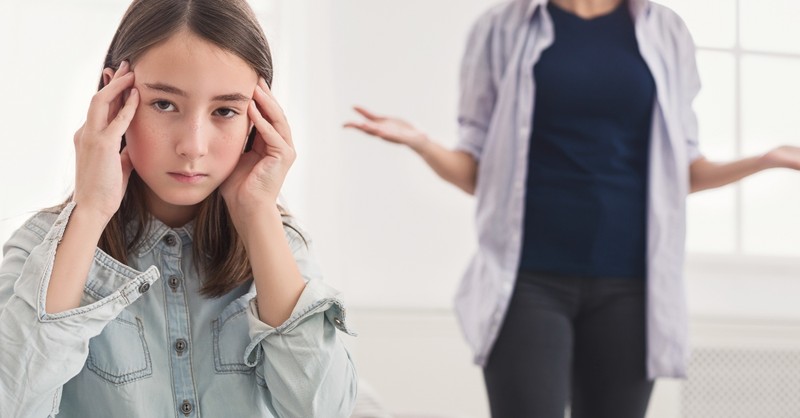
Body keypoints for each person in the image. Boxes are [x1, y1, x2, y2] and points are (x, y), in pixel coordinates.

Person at [345, 0, 800, 417]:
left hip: (633, 288)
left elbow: (679, 171)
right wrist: (423, 144)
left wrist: (764, 160)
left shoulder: (665, 31)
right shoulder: (500, 29)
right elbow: (478, 174)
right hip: (526, 283)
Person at [0, 1, 357, 417]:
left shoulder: (283, 247)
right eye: (165, 104)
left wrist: (258, 214)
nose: (193, 146)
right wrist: (91, 211)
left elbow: (324, 411)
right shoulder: (40, 247)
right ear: (114, 98)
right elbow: (13, 404)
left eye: (225, 111)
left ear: (256, 120)